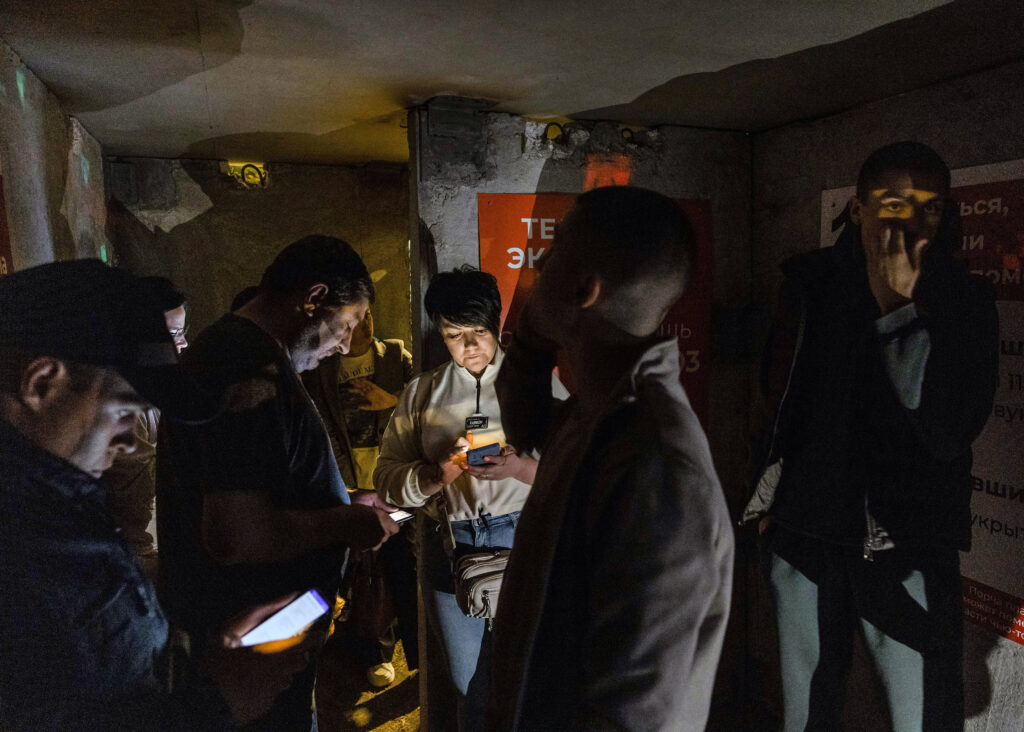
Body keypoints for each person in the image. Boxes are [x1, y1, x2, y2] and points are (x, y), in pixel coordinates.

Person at [741, 142, 998, 731]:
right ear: (857, 210)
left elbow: (946, 431)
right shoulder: (809, 284)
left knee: (924, 713)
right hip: (804, 530)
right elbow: (777, 400)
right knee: (806, 712)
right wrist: (767, 500)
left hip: (907, 540)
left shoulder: (962, 301)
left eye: (930, 208)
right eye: (893, 204)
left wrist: (898, 311)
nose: (911, 223)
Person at [0, 259, 312, 730]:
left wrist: (193, 661)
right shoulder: (23, 543)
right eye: (123, 410)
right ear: (42, 383)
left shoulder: (54, 506)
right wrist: (217, 704)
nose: (129, 441)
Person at [485, 186, 734, 731]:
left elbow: (633, 710)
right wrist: (529, 341)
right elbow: (527, 429)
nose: (538, 267)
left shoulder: (656, 463)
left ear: (583, 290)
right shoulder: (595, 413)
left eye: (552, 253)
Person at [157, 235, 400, 731]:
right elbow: (235, 534)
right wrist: (343, 522)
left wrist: (341, 500)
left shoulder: (248, 356)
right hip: (248, 649)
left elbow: (260, 488)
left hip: (264, 642)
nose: (345, 345)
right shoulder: (248, 367)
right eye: (347, 324)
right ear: (314, 298)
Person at [375, 267, 563, 731]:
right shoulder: (422, 393)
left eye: (478, 331)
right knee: (469, 684)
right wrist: (435, 476)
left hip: (526, 538)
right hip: (451, 545)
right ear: (440, 334)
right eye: (454, 335)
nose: (470, 345)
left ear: (497, 324)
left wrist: (519, 469)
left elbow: (575, 473)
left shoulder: (536, 386)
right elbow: (386, 478)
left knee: (533, 676)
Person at [303, 309, 419, 688]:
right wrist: (339, 486)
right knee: (360, 573)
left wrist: (391, 401)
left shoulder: (395, 356)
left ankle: (415, 659)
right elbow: (318, 426)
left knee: (401, 567)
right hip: (350, 484)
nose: (365, 324)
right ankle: (371, 652)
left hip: (393, 484)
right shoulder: (324, 366)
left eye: (369, 314)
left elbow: (428, 406)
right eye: (355, 318)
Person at [104, 275, 188, 577]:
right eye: (172, 334)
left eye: (183, 332)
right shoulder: (129, 405)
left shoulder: (156, 395)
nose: (183, 344)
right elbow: (131, 512)